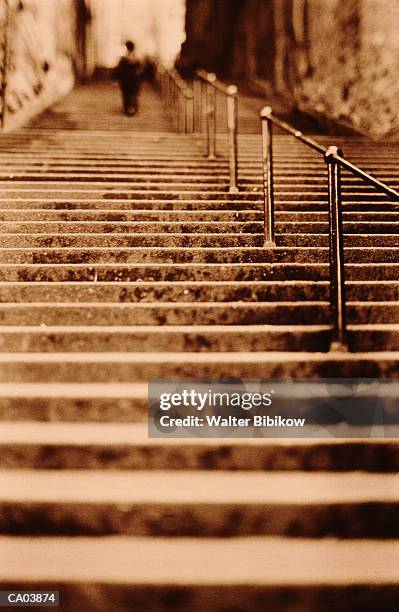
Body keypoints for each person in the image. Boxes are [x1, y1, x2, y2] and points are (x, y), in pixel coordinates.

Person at [114, 41, 143, 116]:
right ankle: (132, 108)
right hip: (134, 80)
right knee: (133, 94)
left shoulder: (124, 59)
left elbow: (119, 70)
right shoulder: (137, 58)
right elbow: (140, 69)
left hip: (126, 80)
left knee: (127, 94)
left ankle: (128, 108)